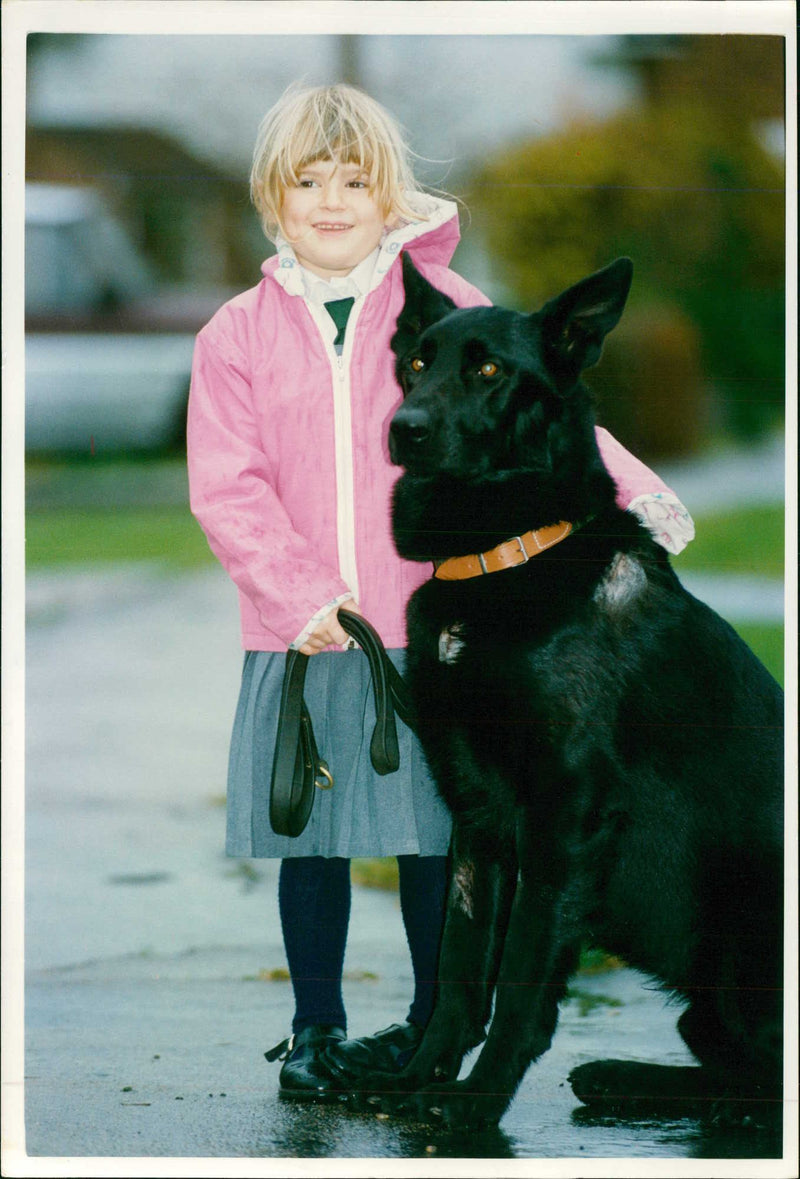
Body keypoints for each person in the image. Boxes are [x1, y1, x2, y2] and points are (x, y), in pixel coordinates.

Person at [187, 82, 695, 1102]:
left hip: (439, 629)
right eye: (305, 180)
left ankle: (433, 1024)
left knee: (439, 836)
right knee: (315, 841)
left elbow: (540, 407)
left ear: (391, 197)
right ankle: (315, 1030)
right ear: (269, 198)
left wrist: (636, 491)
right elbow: (226, 485)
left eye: (353, 179)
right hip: (311, 640)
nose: (330, 200)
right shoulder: (233, 336)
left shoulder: (445, 310)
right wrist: (298, 598)